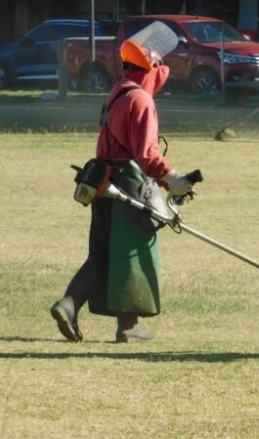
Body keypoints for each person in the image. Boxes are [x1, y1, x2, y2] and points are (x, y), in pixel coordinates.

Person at [50, 22, 197, 343]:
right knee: (134, 252)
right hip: (129, 185)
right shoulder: (141, 100)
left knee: (102, 253)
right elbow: (146, 154)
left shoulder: (118, 91)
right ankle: (128, 328)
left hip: (102, 182)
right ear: (153, 68)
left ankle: (68, 304)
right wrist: (173, 179)